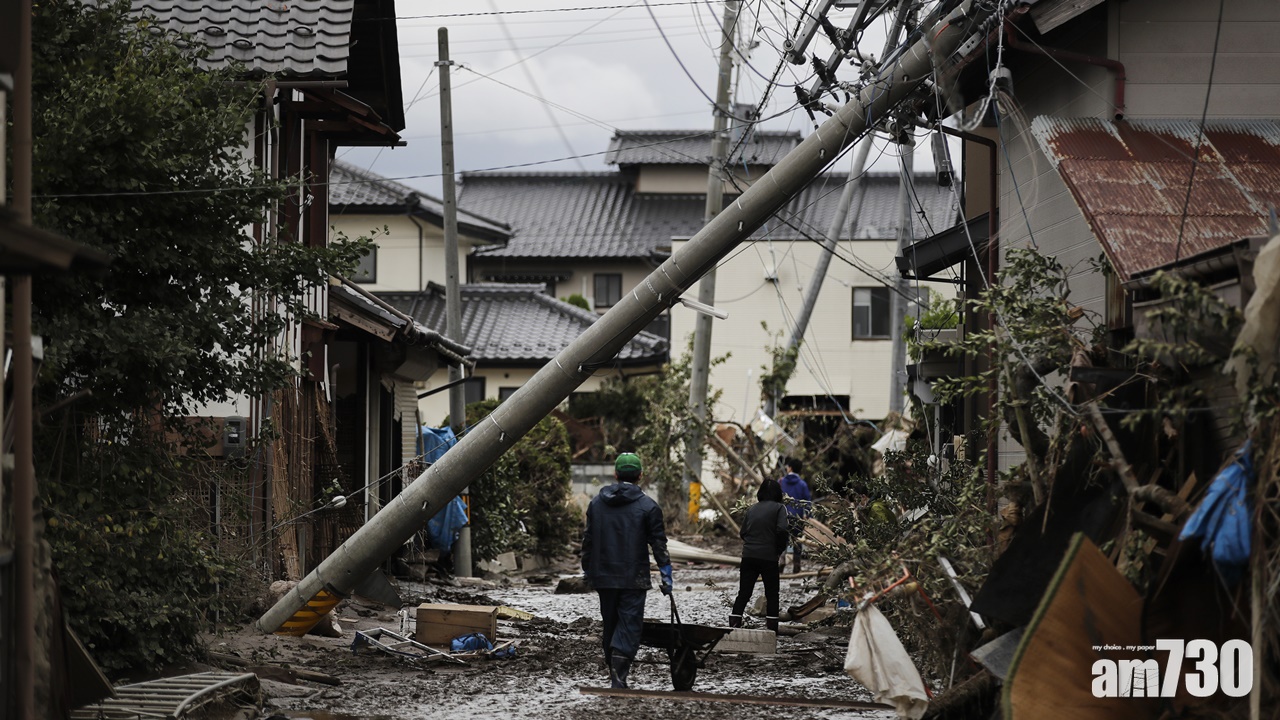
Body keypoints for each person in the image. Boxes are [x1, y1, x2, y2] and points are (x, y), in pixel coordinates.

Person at [580, 452, 672, 689]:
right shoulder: (648, 507)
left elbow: (588, 541)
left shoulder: (596, 504)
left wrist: (587, 571)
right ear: (641, 475)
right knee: (629, 624)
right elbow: (658, 544)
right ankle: (618, 677)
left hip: (603, 576)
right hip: (634, 578)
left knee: (610, 623)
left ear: (616, 474)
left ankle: (615, 672)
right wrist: (666, 574)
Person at [730, 479, 789, 632]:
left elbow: (743, 532)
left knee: (744, 592)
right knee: (772, 594)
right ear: (778, 494)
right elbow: (782, 530)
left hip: (749, 556)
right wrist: (779, 549)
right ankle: (771, 631)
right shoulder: (780, 508)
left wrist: (751, 544)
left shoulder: (752, 509)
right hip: (769, 557)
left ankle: (734, 627)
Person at [779, 459, 812, 573]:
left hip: (783, 516)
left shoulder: (781, 481)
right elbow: (807, 502)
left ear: (790, 468)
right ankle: (796, 565)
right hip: (798, 517)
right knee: (797, 540)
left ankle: (782, 560)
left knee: (783, 539)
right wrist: (808, 516)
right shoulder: (802, 484)